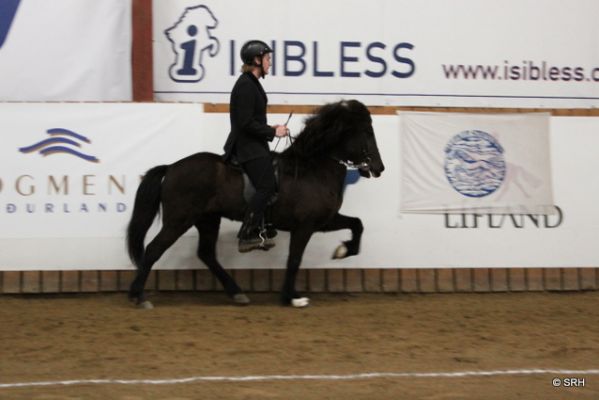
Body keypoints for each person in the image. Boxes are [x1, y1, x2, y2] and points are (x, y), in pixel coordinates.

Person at [223, 40, 289, 253]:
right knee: (266, 186)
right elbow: (245, 123)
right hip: (247, 147)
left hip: (255, 144)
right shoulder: (245, 85)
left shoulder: (251, 83)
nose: (270, 62)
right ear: (256, 60)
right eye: (267, 58)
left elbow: (252, 120)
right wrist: (272, 132)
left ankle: (265, 227)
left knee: (274, 179)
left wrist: (271, 128)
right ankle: (247, 234)